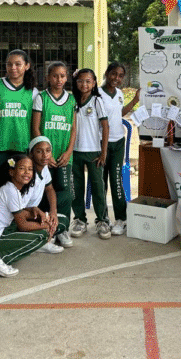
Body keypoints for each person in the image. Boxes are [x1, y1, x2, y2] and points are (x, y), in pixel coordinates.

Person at [0, 153, 51, 277]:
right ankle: (0, 259)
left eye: (30, 169)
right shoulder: (10, 190)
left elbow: (21, 214)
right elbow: (23, 226)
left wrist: (34, 210)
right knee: (42, 235)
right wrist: (46, 226)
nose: (27, 172)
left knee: (36, 226)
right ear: (11, 172)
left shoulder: (10, 187)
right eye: (21, 168)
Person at [32, 62, 76, 249]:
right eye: (55, 76)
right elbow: (35, 128)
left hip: (63, 157)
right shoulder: (41, 98)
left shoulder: (72, 100)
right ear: (48, 77)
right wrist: (45, 154)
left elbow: (74, 128)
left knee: (65, 192)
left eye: (63, 76)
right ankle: (43, 227)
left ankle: (62, 229)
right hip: (44, 157)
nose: (59, 80)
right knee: (43, 192)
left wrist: (68, 151)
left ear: (67, 77)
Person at [99, 62, 139, 236]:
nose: (116, 78)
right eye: (113, 74)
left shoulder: (120, 94)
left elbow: (119, 113)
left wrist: (136, 100)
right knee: (100, 183)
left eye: (120, 75)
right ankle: (102, 220)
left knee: (116, 181)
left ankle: (121, 219)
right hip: (100, 144)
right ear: (107, 73)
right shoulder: (97, 94)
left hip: (117, 143)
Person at [70, 68, 109, 239]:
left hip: (93, 151)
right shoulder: (71, 101)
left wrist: (103, 153)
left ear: (93, 83)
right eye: (80, 81)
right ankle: (79, 219)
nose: (84, 84)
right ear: (75, 82)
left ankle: (102, 220)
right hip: (75, 152)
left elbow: (105, 127)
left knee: (98, 188)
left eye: (88, 81)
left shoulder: (96, 101)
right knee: (76, 188)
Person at [0, 49, 38, 177]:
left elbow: (35, 121)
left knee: (19, 183)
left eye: (18, 64)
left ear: (27, 66)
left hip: (21, 145)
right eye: (9, 64)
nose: (13, 67)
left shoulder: (32, 91)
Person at [26, 135, 66, 253]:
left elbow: (49, 189)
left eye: (48, 151)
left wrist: (53, 212)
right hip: (24, 214)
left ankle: (44, 233)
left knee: (63, 222)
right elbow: (17, 207)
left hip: (35, 212)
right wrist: (41, 216)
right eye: (39, 151)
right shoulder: (26, 172)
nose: (45, 155)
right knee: (49, 224)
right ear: (31, 154)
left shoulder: (44, 168)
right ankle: (40, 240)